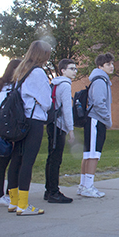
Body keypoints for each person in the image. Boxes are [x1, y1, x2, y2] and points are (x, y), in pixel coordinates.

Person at [7, 40, 52, 216]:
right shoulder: (38, 73)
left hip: (20, 120)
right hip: (34, 120)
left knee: (16, 160)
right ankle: (23, 205)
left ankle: (14, 201)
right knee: (28, 161)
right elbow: (46, 102)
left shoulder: (21, 71)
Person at [79, 53, 114, 198]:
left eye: (112, 63)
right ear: (100, 66)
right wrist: (107, 119)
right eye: (108, 64)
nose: (112, 66)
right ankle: (88, 186)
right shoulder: (100, 81)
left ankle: (83, 185)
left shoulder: (100, 80)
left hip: (94, 120)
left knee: (89, 154)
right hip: (95, 120)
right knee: (93, 154)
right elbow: (99, 103)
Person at [0, 59, 22, 208]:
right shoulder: (10, 89)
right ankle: (1, 196)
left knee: (3, 164)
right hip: (5, 130)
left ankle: (5, 194)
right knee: (5, 164)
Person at [44, 59, 76, 203]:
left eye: (75, 68)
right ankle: (54, 192)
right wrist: (71, 130)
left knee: (51, 157)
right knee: (56, 159)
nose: (74, 71)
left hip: (51, 124)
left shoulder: (54, 83)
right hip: (59, 126)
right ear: (62, 70)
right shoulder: (65, 85)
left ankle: (48, 190)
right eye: (71, 68)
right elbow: (67, 110)